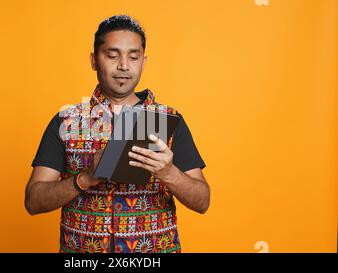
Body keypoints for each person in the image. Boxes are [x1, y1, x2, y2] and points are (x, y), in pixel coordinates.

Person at [25, 15, 210, 253]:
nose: (124, 65)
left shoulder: (166, 119)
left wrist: (169, 173)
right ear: (94, 60)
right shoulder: (67, 120)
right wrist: (86, 178)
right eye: (112, 55)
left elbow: (203, 201)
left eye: (133, 57)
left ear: (143, 61)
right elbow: (33, 201)